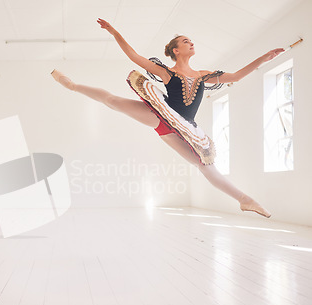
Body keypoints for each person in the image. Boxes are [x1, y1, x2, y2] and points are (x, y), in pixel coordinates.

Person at [51, 18, 284, 218]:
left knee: (205, 166)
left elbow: (236, 76)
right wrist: (114, 32)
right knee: (112, 101)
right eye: (185, 41)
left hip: (186, 128)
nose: (191, 43)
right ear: (175, 50)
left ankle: (245, 199)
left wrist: (263, 58)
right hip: (162, 116)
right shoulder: (167, 73)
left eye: (191, 41)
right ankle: (72, 85)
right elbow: (133, 55)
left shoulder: (204, 75)